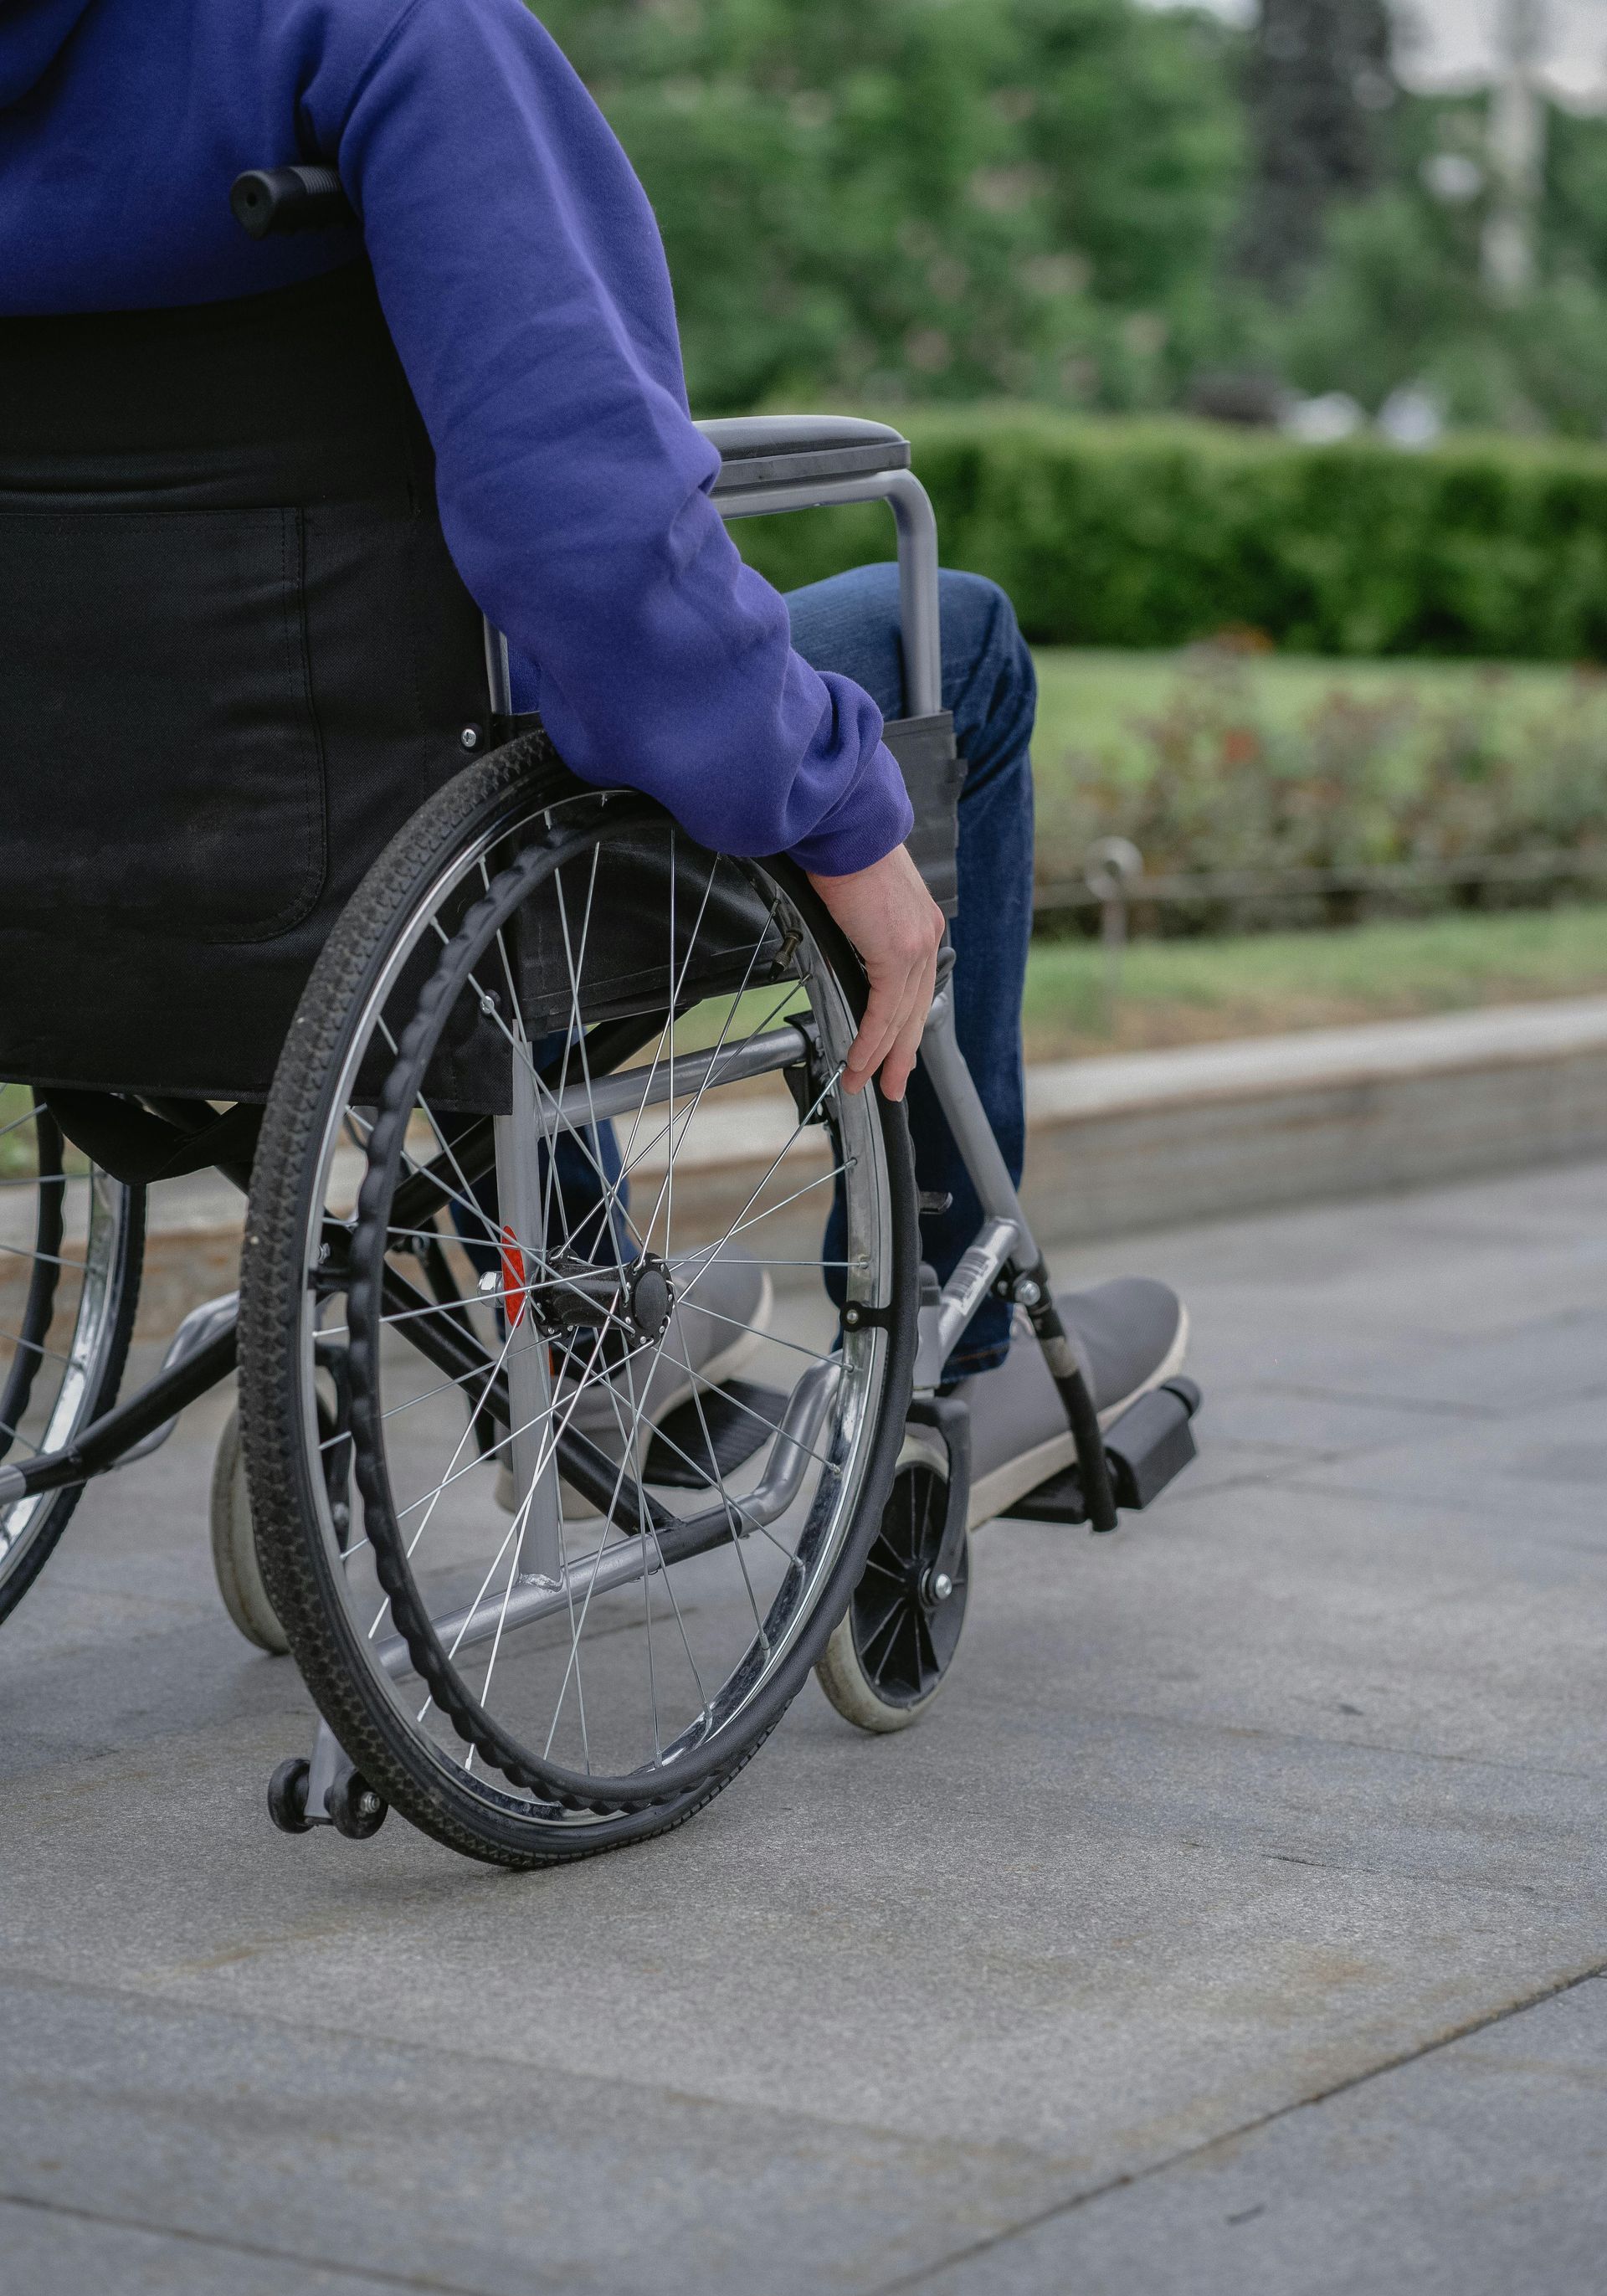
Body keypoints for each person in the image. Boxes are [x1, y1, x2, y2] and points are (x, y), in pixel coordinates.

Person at [0, 0, 1183, 1439]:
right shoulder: (376, 35)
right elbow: (593, 547)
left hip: (55, 897)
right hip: (366, 871)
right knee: (959, 639)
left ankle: (587, 1291)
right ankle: (954, 1344)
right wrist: (840, 803)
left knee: (462, 743)